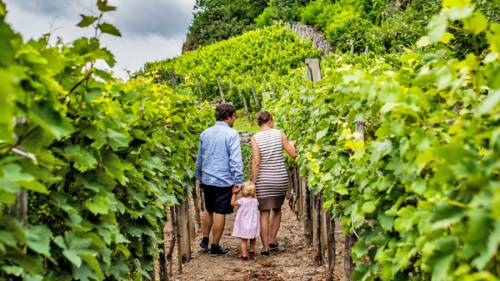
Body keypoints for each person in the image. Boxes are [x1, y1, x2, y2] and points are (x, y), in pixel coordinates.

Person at [195, 103, 244, 256]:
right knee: (220, 212)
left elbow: (199, 159)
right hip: (224, 180)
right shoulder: (231, 134)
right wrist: (239, 181)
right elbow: (235, 159)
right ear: (228, 116)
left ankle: (204, 241)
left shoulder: (205, 133)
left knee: (208, 209)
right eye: (234, 116)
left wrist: (200, 178)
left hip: (207, 178)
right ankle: (215, 246)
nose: (234, 119)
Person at [251, 111, 297, 256]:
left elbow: (257, 161)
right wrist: (291, 145)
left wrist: (254, 182)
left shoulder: (255, 138)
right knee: (277, 210)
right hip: (279, 179)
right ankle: (272, 240)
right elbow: (293, 154)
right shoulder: (279, 133)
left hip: (264, 180)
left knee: (264, 213)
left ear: (259, 123)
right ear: (270, 120)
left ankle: (264, 248)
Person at [231, 181, 260, 261]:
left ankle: (244, 255)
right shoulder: (256, 201)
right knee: (253, 238)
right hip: (253, 224)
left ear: (242, 191)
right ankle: (252, 251)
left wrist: (234, 194)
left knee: (244, 240)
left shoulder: (242, 200)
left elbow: (232, 203)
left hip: (244, 224)